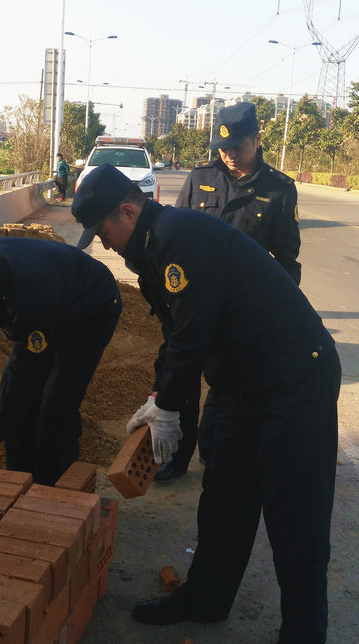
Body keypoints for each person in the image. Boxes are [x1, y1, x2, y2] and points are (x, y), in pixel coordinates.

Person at [73, 163, 340, 643]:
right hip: (240, 383)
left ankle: (304, 632)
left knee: (295, 517)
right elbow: (175, 334)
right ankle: (207, 599)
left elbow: (192, 336)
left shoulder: (176, 237)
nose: (104, 244)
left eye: (104, 232)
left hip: (295, 380)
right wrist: (158, 397)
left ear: (127, 211)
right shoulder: (154, 246)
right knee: (224, 501)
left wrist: (169, 405)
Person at [162, 101, 302, 481]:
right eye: (223, 148)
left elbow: (286, 258)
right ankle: (176, 456)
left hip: (242, 310)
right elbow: (175, 234)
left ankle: (213, 451)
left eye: (237, 147)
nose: (229, 156)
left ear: (257, 139)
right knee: (183, 376)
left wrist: (279, 312)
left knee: (228, 383)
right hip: (194, 302)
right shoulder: (201, 177)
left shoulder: (278, 189)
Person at [0, 236, 121, 486]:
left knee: (56, 402)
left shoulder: (31, 292)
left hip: (89, 308)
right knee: (21, 407)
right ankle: (18, 480)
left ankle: (55, 488)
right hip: (53, 299)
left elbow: (24, 374)